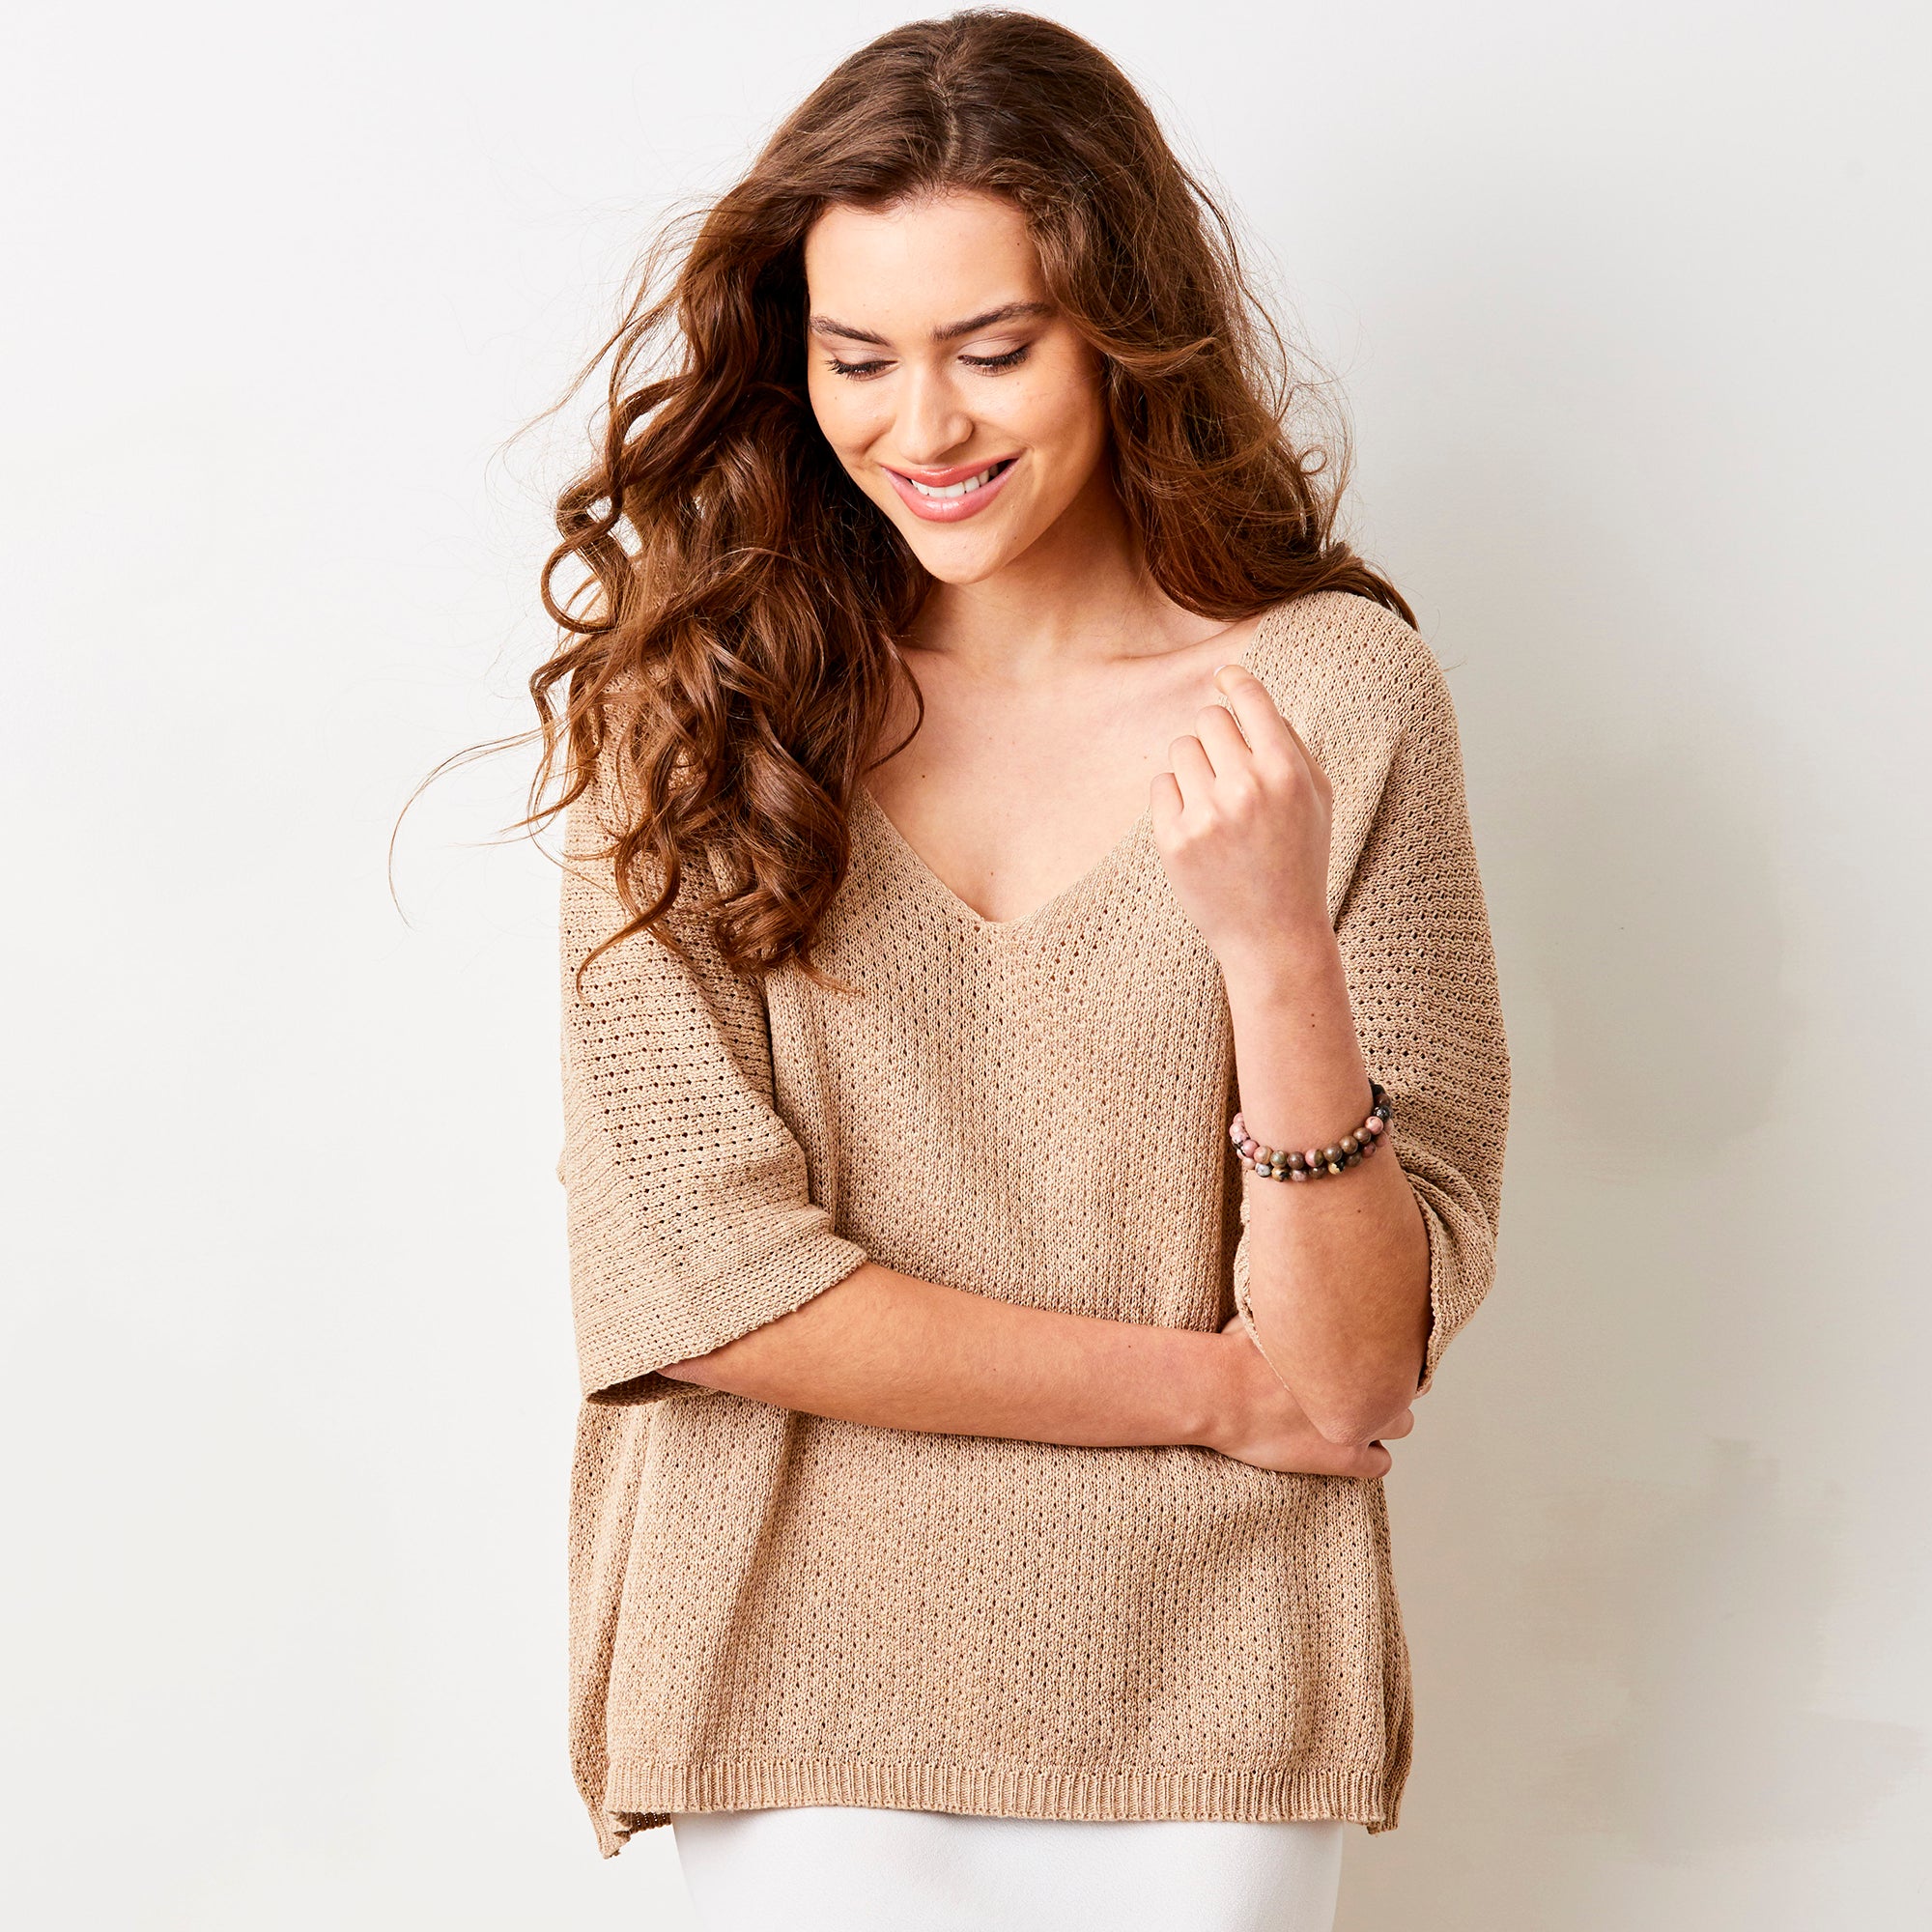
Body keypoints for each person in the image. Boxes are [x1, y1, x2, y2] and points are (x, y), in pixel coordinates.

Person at [533, 13, 1510, 1929]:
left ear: (1126, 334)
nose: (924, 428)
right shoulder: (703, 705)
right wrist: (1214, 1398)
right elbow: (703, 1283)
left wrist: (1271, 944)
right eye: (859, 360)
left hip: (1209, 1691)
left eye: (992, 351)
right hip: (787, 1674)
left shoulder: (1337, 695)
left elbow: (1349, 1366)